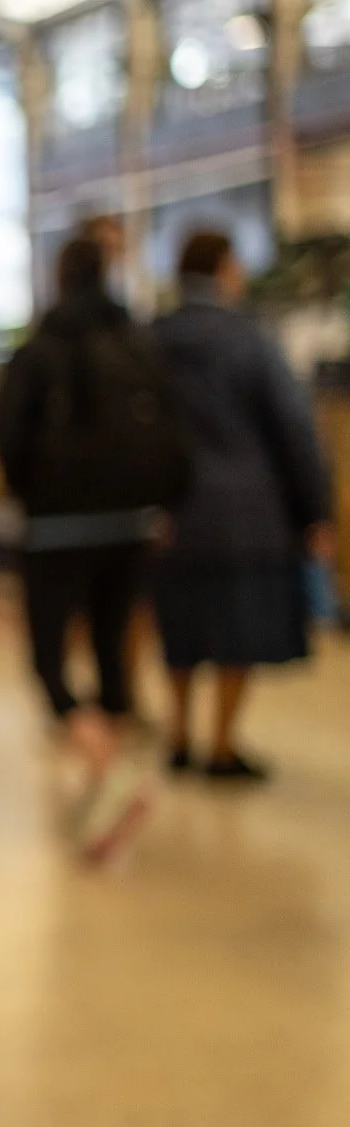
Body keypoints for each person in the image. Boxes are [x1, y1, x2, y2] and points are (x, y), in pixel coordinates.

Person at [0, 237, 190, 860]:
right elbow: (176, 431)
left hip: (57, 524)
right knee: (113, 651)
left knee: (49, 662)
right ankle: (111, 773)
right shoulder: (139, 343)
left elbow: (9, 438)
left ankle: (107, 771)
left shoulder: (39, 349)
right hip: (131, 520)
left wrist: (31, 494)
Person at [150, 231, 334, 781]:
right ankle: (222, 745)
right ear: (224, 269)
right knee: (237, 629)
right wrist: (314, 509)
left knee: (180, 628)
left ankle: (179, 734)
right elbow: (293, 429)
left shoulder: (150, 339)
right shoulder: (249, 340)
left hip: (171, 512)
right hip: (247, 513)